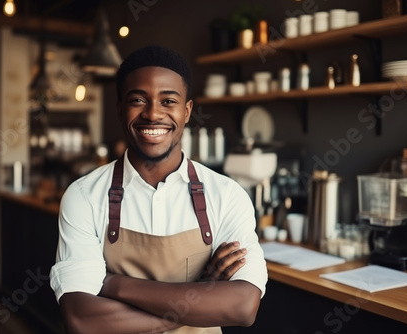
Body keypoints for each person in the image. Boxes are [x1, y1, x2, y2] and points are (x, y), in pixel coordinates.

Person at [50, 45, 267, 334]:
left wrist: (111, 283)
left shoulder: (227, 195)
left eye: (168, 101)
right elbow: (82, 320)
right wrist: (198, 297)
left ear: (187, 111)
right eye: (138, 99)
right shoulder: (84, 196)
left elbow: (242, 306)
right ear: (119, 108)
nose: (153, 114)